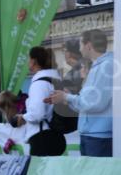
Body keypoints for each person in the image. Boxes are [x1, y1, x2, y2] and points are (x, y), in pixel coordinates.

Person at [46, 28, 114, 156]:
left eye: (81, 44)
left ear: (88, 45)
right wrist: (66, 99)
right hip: (94, 133)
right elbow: (88, 102)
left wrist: (67, 97)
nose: (80, 49)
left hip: (98, 135)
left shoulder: (106, 66)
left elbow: (94, 104)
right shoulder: (98, 66)